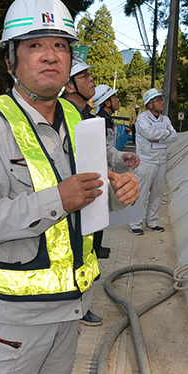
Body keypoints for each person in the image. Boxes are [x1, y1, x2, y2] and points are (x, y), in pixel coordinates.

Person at [0, 0, 139, 374]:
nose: (50, 55)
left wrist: (119, 190)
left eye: (60, 45)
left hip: (69, 310)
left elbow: (91, 195)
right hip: (12, 321)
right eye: (34, 45)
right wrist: (58, 199)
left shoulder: (78, 121)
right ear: (10, 60)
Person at [64, 63, 139, 265]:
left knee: (91, 242)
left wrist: (121, 157)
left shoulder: (89, 116)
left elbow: (102, 149)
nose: (91, 79)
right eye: (83, 75)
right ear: (69, 86)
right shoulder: (58, 116)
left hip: (93, 189)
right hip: (70, 200)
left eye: (89, 74)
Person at [129, 88, 178, 236]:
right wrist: (165, 134)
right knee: (141, 193)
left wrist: (160, 136)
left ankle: (151, 222)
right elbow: (150, 134)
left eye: (161, 99)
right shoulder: (142, 119)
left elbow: (174, 136)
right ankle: (135, 223)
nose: (162, 102)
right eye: (158, 100)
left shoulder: (165, 119)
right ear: (150, 104)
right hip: (146, 160)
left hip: (161, 160)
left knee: (157, 194)